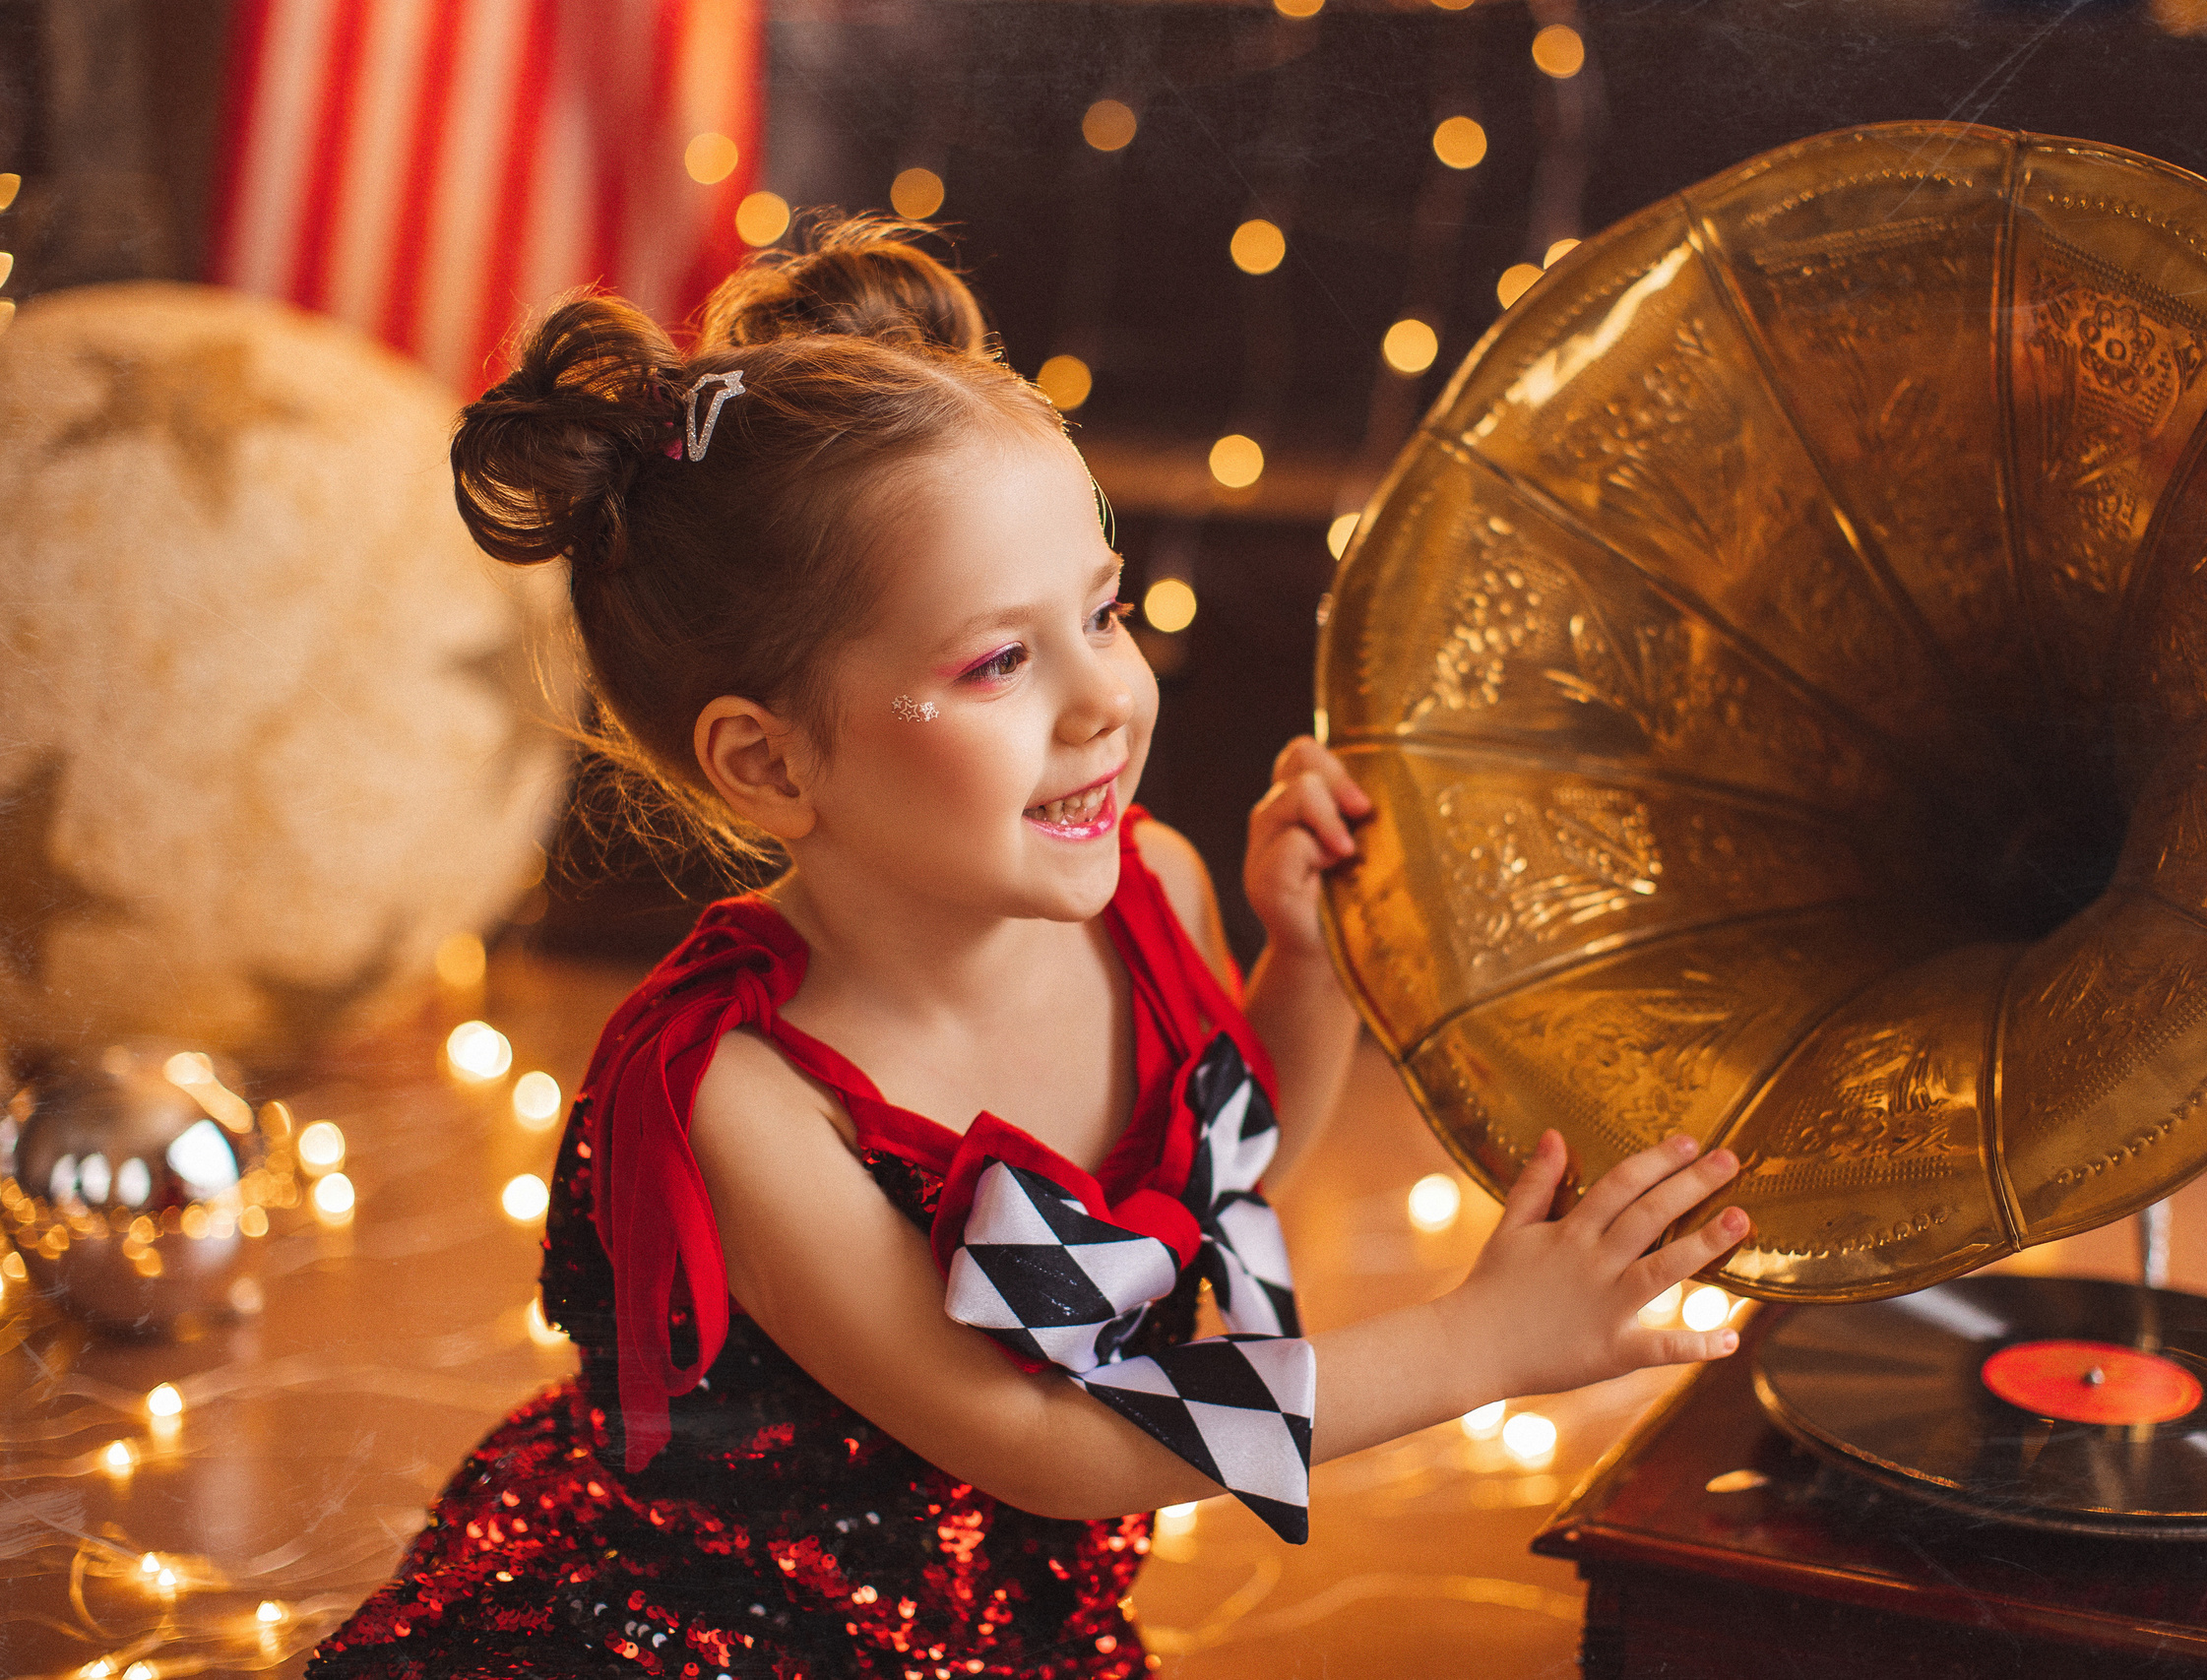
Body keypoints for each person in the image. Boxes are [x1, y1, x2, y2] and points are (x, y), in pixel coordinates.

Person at [307, 218, 1749, 1680]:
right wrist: (1482, 1345)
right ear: (770, 763)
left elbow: (1223, 1181)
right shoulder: (746, 1102)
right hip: (746, 1639)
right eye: (1000, 659)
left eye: (1102, 613)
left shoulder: (1153, 891)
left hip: (1005, 1624)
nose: (1108, 697)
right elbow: (1049, 1442)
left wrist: (1306, 966)